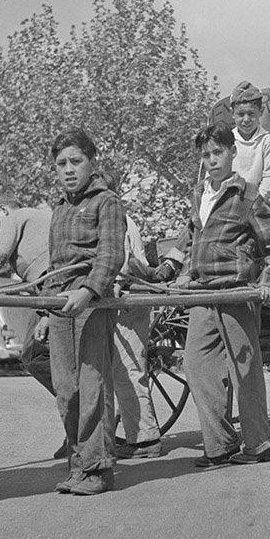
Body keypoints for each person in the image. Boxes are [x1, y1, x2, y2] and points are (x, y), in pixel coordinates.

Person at [152, 123, 270, 467]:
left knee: (245, 368)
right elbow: (192, 238)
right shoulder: (200, 194)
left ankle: (258, 443)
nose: (212, 160)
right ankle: (220, 444)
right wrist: (176, 271)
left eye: (218, 153)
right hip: (202, 291)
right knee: (196, 365)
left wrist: (269, 280)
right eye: (206, 155)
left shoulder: (248, 196)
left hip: (235, 291)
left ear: (232, 154)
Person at [31, 130, 126, 495]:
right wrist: (43, 312)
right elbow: (56, 265)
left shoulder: (107, 202)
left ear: (92, 162)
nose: (69, 170)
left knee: (92, 387)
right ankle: (77, 467)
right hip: (58, 308)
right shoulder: (60, 208)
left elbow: (110, 255)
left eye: (76, 161)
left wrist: (88, 291)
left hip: (91, 304)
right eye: (61, 164)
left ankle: (98, 469)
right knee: (66, 390)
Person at [98, 168, 163, 460]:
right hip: (120, 299)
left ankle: (146, 438)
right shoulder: (114, 219)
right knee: (120, 370)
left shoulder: (120, 220)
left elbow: (133, 263)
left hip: (130, 300)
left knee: (129, 368)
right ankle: (138, 434)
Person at [0, 199, 56, 404]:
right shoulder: (39, 218)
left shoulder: (15, 217)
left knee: (33, 355)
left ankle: (75, 403)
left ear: (3, 210)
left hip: (51, 284)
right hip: (55, 283)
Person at [229, 81, 270, 203]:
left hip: (257, 203)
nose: (246, 119)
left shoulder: (268, 141)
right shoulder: (226, 140)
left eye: (251, 114)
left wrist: (256, 201)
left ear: (261, 111)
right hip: (227, 203)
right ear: (232, 113)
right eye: (241, 114)